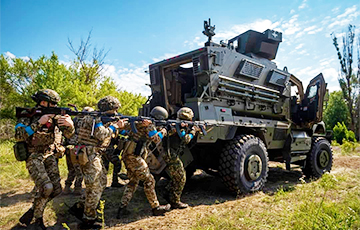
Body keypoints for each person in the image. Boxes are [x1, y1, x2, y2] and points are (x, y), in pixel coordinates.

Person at [16, 89, 74, 230]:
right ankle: (38, 220)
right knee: (46, 187)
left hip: (50, 155)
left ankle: (33, 210)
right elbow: (18, 136)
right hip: (34, 156)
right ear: (43, 102)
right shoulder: (27, 115)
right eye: (52, 103)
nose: (55, 106)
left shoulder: (56, 117)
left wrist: (70, 125)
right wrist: (38, 123)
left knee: (56, 189)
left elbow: (69, 136)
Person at [69, 96, 127, 228]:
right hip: (88, 154)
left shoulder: (97, 117)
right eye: (114, 110)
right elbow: (101, 134)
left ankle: (80, 207)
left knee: (101, 182)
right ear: (108, 109)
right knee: (94, 187)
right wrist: (115, 126)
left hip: (92, 154)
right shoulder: (94, 118)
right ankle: (88, 219)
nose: (116, 113)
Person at [116, 114, 170, 218]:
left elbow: (125, 129)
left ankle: (122, 208)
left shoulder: (138, 123)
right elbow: (156, 139)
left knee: (133, 182)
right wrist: (164, 130)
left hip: (128, 155)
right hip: (134, 157)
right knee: (149, 180)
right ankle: (156, 207)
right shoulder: (147, 125)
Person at [158, 107, 199, 209]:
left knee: (176, 176)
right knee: (181, 177)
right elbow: (186, 139)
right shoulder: (176, 126)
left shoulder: (177, 124)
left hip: (169, 153)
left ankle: (168, 192)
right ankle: (175, 201)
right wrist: (193, 131)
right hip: (170, 154)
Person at [63, 107, 94, 195]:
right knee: (79, 169)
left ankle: (67, 187)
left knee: (72, 170)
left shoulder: (75, 119)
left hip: (70, 147)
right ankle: (77, 188)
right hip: (78, 148)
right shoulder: (87, 122)